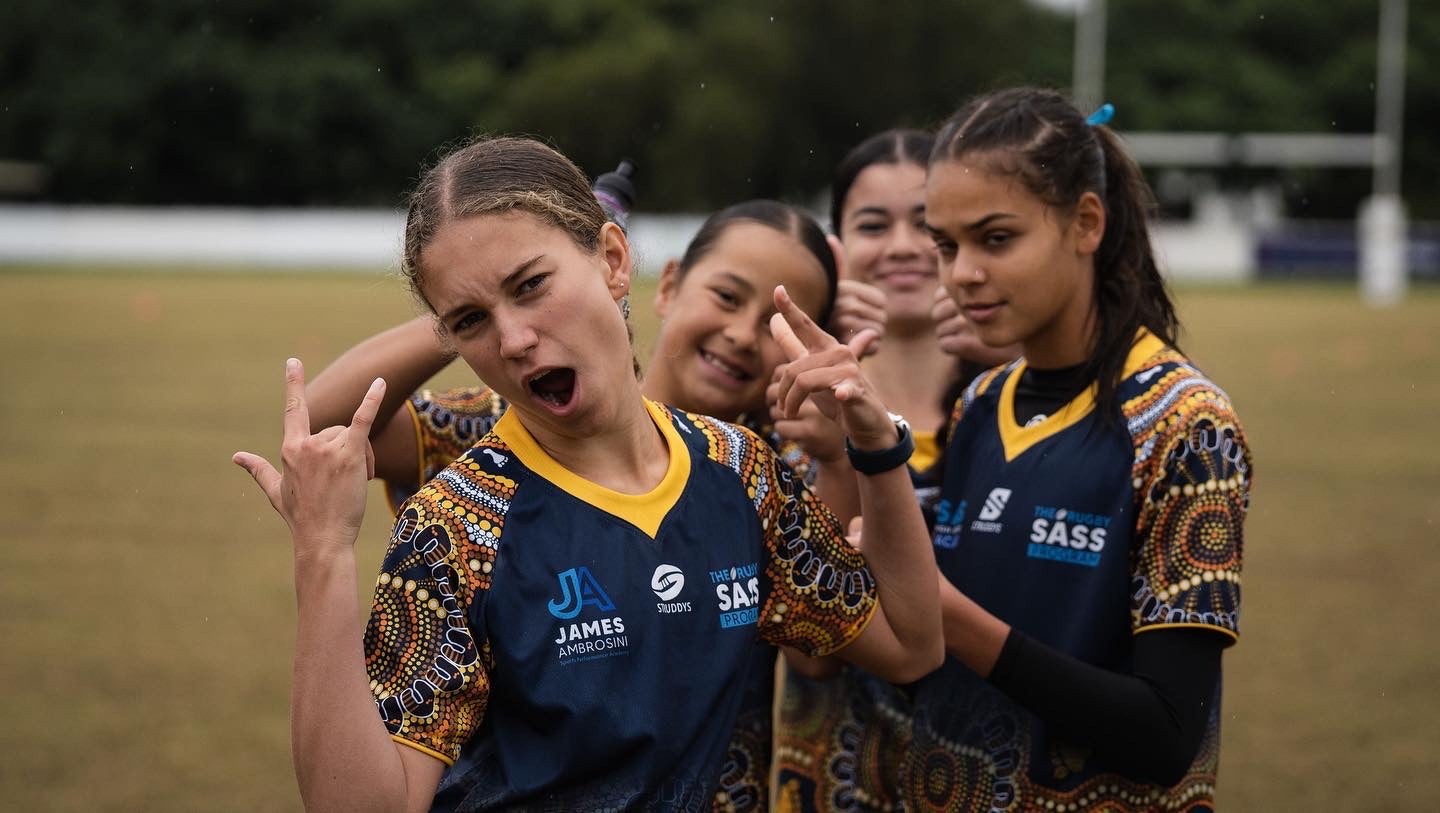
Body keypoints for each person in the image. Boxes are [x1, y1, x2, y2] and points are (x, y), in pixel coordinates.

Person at [231, 135, 944, 812]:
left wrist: (875, 446)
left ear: (612, 258)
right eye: (471, 320)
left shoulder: (743, 471)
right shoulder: (455, 527)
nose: (512, 339)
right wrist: (322, 554)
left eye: (531, 284)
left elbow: (910, 644)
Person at [306, 198, 848, 811]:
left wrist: (848, 453)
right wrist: (480, 297)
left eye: (779, 320)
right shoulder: (521, 419)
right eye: (726, 296)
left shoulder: (771, 467)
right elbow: (325, 432)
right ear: (665, 283)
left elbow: (829, 653)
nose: (742, 334)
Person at [900, 87, 1253, 811]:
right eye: (946, 244)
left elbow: (1164, 733)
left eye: (996, 238)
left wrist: (950, 618)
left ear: (1086, 222)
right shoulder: (980, 402)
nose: (962, 271)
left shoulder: (1185, 425)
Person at [772, 129, 1022, 813]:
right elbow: (813, 652)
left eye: (931, 226)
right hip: (839, 783)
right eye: (875, 224)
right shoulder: (795, 405)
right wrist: (840, 442)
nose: (908, 247)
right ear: (837, 249)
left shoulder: (1027, 397)